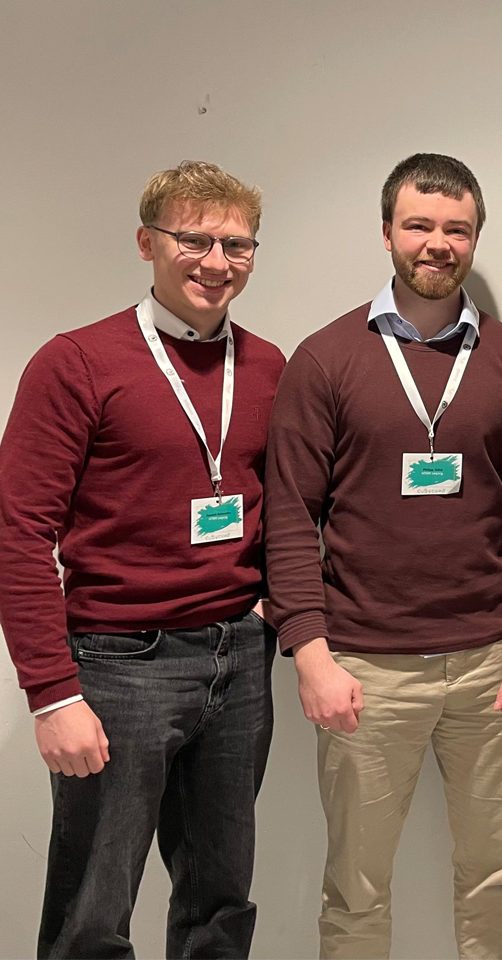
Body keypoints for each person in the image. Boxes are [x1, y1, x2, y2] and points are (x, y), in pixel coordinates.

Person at [263, 153, 502, 960]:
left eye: (456, 229)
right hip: (364, 667)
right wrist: (310, 653)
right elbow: (289, 516)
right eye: (420, 225)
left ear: (476, 239)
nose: (438, 244)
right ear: (388, 232)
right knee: (356, 888)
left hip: (492, 664)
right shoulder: (326, 359)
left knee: (493, 878)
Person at [0, 161, 284, 958]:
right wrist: (53, 694)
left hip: (239, 658)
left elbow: (288, 505)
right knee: (92, 912)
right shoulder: (76, 363)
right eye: (193, 239)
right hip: (121, 666)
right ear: (146, 242)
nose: (217, 262)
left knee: (220, 903)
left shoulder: (267, 366)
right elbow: (18, 531)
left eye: (237, 244)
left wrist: (275, 602)